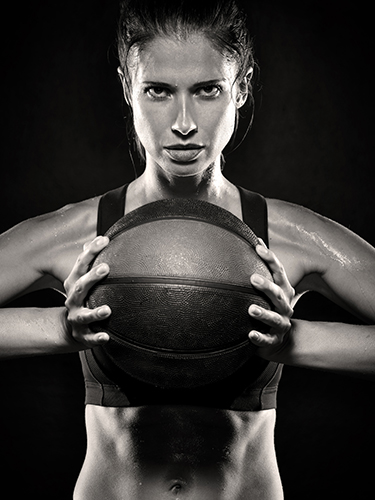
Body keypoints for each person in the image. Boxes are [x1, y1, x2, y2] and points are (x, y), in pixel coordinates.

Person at [1, 0, 374, 498]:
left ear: (240, 89)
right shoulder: (80, 235)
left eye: (207, 91)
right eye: (157, 91)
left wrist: (295, 341)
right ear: (126, 88)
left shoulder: (285, 238)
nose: (183, 123)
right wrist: (59, 328)